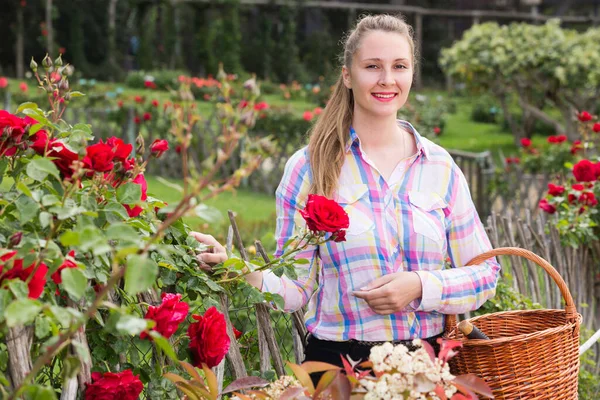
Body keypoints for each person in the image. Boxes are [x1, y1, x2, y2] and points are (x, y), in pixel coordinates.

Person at [192, 13, 500, 383]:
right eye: (373, 66)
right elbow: (294, 288)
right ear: (348, 75)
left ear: (411, 74)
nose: (387, 79)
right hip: (337, 369)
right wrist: (234, 268)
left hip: (425, 369)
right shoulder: (310, 167)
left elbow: (484, 275)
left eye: (399, 66)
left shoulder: (439, 167)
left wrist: (420, 286)